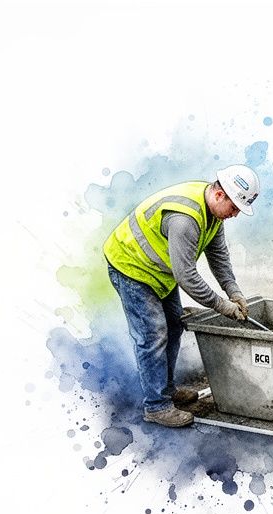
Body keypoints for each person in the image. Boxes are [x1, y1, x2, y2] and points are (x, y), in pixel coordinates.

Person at [103, 165, 260, 427]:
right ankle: (156, 406)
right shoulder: (185, 219)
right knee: (153, 334)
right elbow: (187, 277)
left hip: (159, 271)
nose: (234, 215)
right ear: (219, 194)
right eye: (234, 207)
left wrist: (234, 292)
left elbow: (218, 257)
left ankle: (165, 388)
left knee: (175, 325)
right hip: (132, 266)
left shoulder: (213, 215)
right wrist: (224, 306)